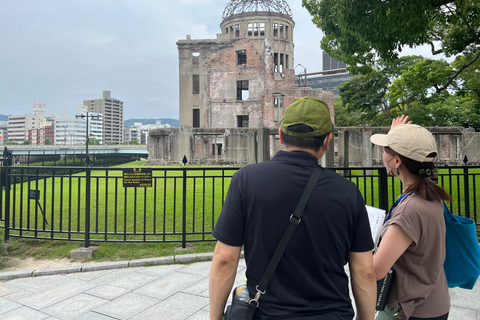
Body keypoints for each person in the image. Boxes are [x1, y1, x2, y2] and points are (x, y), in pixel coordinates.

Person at [209, 96, 376, 320]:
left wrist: (215, 316)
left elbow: (224, 259)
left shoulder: (246, 180)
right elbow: (364, 271)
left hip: (267, 314)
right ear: (327, 141)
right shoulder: (348, 192)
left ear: (280, 135)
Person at [370, 117, 451, 320]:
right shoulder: (429, 195)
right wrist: (400, 138)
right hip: (434, 301)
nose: (382, 155)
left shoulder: (410, 210)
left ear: (397, 161)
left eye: (385, 150)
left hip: (412, 310)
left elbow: (375, 270)